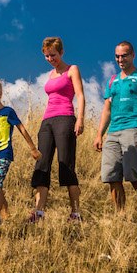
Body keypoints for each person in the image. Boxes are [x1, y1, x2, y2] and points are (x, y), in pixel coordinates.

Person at [93, 41, 137, 217]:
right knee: (111, 175)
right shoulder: (112, 81)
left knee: (131, 172)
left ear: (133, 55)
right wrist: (99, 134)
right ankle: (120, 215)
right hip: (113, 131)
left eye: (124, 55)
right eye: (117, 56)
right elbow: (107, 109)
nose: (120, 59)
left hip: (134, 127)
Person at [30, 37, 86, 222]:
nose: (50, 58)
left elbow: (80, 95)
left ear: (61, 52)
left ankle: (75, 214)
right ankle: (39, 212)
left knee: (66, 164)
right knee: (42, 164)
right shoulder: (50, 75)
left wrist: (80, 119)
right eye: (46, 56)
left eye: (53, 55)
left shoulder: (72, 69)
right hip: (47, 121)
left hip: (65, 118)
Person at [0, 78, 41, 229]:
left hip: (4, 154)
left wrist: (33, 148)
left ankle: (2, 215)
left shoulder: (8, 112)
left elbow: (22, 129)